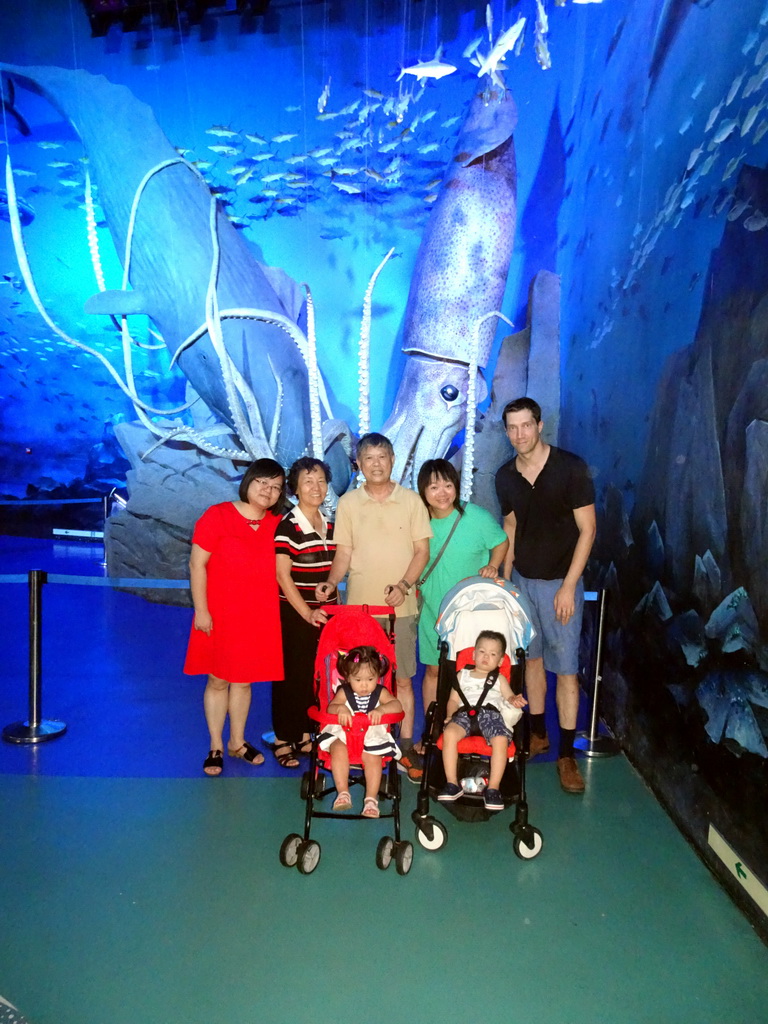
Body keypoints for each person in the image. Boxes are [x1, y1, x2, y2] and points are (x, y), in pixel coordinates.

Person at [316, 432, 431, 781]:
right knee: (356, 681)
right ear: (359, 464)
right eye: (369, 458)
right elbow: (344, 553)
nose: (376, 464)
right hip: (359, 615)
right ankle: (359, 744)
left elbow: (421, 551)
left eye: (383, 457)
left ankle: (406, 746)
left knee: (405, 679)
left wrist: (404, 585)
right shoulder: (349, 503)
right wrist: (332, 583)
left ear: (394, 460)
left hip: (402, 608)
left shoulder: (411, 501)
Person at [495, 397, 596, 794]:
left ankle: (567, 755)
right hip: (522, 582)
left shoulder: (571, 468)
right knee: (531, 661)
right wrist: (506, 580)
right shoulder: (505, 476)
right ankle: (538, 733)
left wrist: (570, 585)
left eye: (526, 425)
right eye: (512, 427)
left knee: (566, 669)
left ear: (539, 426)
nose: (520, 434)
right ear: (506, 432)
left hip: (561, 583)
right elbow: (510, 525)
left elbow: (588, 529)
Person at [185, 458, 286, 776]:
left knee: (243, 681)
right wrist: (201, 609)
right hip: (220, 614)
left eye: (276, 487)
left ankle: (237, 742)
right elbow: (196, 565)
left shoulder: (277, 524)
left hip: (259, 615)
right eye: (262, 482)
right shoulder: (218, 516)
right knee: (218, 679)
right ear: (249, 481)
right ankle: (215, 744)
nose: (268, 491)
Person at [417, 458, 509, 719]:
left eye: (448, 485)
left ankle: (468, 727)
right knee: (433, 671)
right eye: (434, 487)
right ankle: (432, 730)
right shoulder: (418, 521)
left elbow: (501, 542)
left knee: (470, 670)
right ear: (423, 490)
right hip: (432, 611)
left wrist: (493, 566)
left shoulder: (476, 517)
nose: (442, 493)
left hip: (470, 614)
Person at [273, 457, 337, 768]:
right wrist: (307, 612)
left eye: (322, 480)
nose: (316, 487)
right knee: (290, 675)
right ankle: (284, 738)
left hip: (327, 615)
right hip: (295, 615)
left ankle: (303, 735)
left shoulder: (330, 522)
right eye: (308, 481)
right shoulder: (289, 525)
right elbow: (282, 575)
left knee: (316, 674)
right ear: (295, 489)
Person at [438, 630, 527, 811]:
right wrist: (449, 716)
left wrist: (514, 700)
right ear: (473, 654)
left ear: (500, 661)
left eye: (493, 654)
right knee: (449, 734)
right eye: (482, 652)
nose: (486, 657)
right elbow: (453, 700)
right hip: (464, 714)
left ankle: (493, 788)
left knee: (501, 740)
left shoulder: (499, 678)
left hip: (490, 716)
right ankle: (452, 783)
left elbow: (509, 696)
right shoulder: (462, 675)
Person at [319, 646, 403, 818]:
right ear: (348, 677)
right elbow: (331, 707)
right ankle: (343, 793)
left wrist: (382, 710)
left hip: (371, 736)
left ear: (378, 676)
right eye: (358, 680)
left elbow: (397, 706)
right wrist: (340, 709)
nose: (364, 685)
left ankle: (371, 800)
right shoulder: (344, 691)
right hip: (344, 733)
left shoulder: (380, 692)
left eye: (370, 679)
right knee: (337, 749)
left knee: (373, 758)